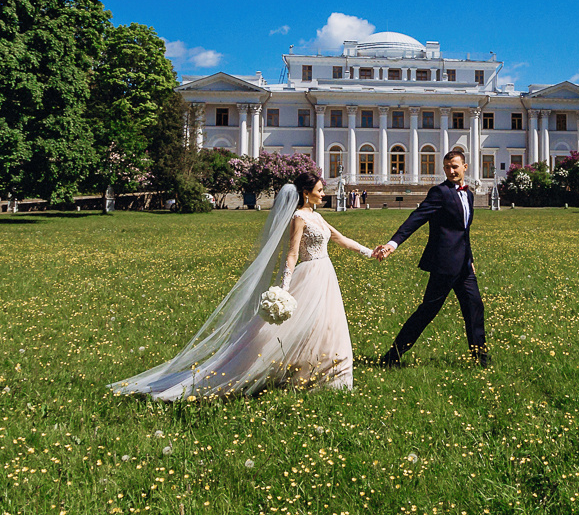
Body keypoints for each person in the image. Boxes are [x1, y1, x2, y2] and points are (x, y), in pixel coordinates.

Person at [109, 174, 374, 401]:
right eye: (319, 190)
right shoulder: (298, 218)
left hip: (326, 275)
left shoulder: (316, 216)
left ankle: (324, 375)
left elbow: (340, 238)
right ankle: (271, 370)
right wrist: (283, 287)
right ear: (306, 193)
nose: (323, 193)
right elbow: (292, 253)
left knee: (326, 326)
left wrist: (370, 252)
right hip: (308, 275)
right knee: (289, 329)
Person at [372, 148, 489, 366]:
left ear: (465, 167)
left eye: (455, 166)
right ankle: (392, 357)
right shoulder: (440, 192)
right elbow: (416, 218)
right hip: (444, 265)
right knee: (427, 311)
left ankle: (481, 358)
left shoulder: (469, 194)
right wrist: (392, 243)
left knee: (475, 308)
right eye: (447, 167)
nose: (451, 171)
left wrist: (470, 259)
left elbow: (464, 232)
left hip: (464, 266)